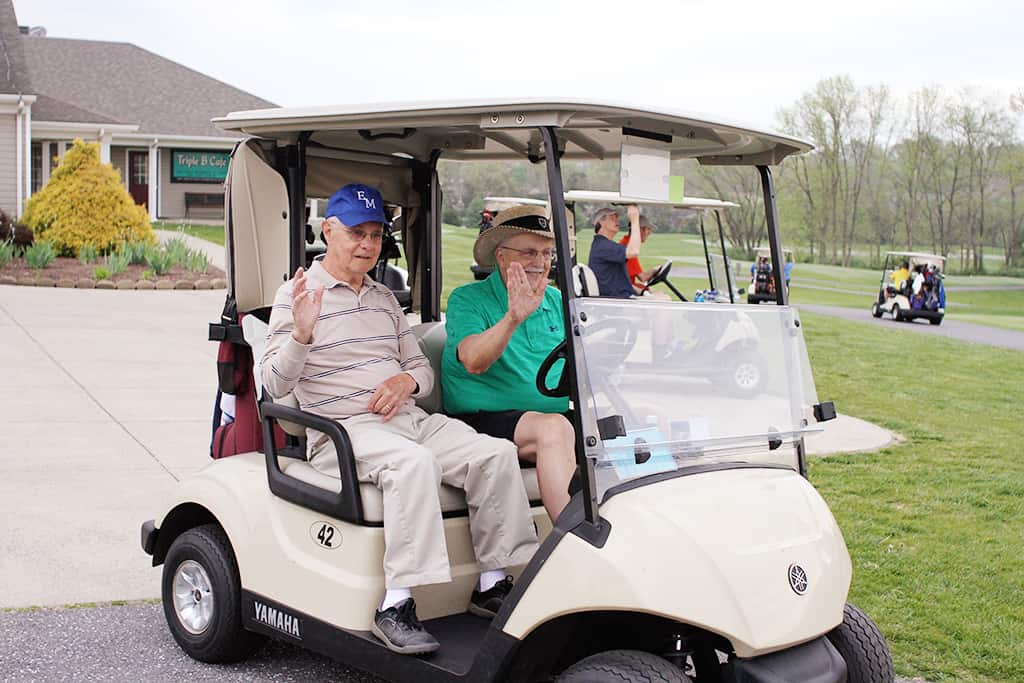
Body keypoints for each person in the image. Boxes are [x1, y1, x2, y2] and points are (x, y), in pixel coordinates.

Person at [261, 184, 539, 655]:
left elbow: (421, 370)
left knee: (495, 453)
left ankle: (492, 582)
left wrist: (405, 385)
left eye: (376, 235)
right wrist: (302, 335)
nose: (368, 245)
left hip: (407, 420)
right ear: (328, 230)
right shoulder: (297, 294)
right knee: (414, 464)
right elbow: (271, 383)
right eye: (357, 234)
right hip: (344, 432)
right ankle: (396, 604)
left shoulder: (384, 298)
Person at [443, 205, 576, 521]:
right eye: (529, 252)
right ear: (501, 256)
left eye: (546, 253)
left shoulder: (556, 300)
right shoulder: (468, 299)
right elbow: (474, 360)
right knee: (553, 429)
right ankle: (575, 540)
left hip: (548, 415)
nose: (540, 263)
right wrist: (513, 317)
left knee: (638, 424)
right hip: (481, 419)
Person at [588, 204, 644, 298]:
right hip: (617, 303)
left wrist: (644, 292)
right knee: (664, 299)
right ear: (601, 221)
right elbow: (633, 251)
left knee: (661, 297)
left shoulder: (604, 245)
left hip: (620, 299)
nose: (617, 220)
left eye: (617, 217)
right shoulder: (603, 246)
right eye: (612, 217)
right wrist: (634, 220)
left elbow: (622, 282)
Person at [619, 215, 668, 298]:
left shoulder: (627, 244)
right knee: (664, 297)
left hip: (629, 288)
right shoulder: (628, 248)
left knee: (660, 294)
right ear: (638, 230)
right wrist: (655, 270)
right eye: (648, 229)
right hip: (626, 292)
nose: (649, 233)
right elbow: (643, 277)